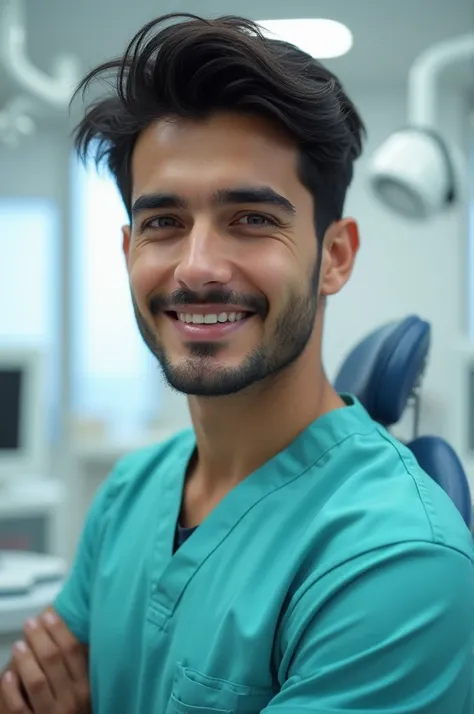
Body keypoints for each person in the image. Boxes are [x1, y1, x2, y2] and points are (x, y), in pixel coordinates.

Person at [2, 12, 474, 714]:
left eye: (251, 219)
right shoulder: (130, 493)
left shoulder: (396, 562)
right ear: (129, 248)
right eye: (163, 223)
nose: (196, 269)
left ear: (335, 255)